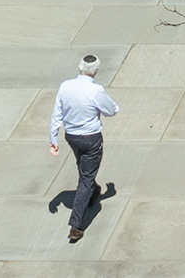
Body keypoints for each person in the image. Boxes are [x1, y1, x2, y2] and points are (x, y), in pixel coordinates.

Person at [48, 54, 118, 241]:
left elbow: (57, 114)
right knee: (86, 178)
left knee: (84, 166)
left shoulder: (65, 86)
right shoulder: (96, 90)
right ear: (96, 71)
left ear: (80, 68)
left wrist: (53, 139)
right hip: (91, 138)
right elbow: (111, 110)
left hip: (72, 137)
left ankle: (93, 189)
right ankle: (76, 226)